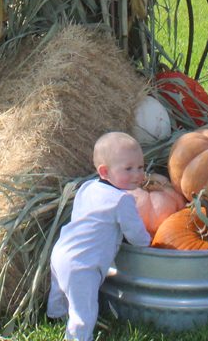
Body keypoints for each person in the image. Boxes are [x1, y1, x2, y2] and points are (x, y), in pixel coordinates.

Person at [47, 132, 151, 341]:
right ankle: (78, 337)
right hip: (83, 265)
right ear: (104, 171)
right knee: (84, 310)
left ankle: (54, 315)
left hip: (61, 251)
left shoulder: (88, 187)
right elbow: (136, 234)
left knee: (59, 291)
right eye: (128, 169)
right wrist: (148, 243)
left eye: (140, 167)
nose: (137, 175)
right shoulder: (121, 200)